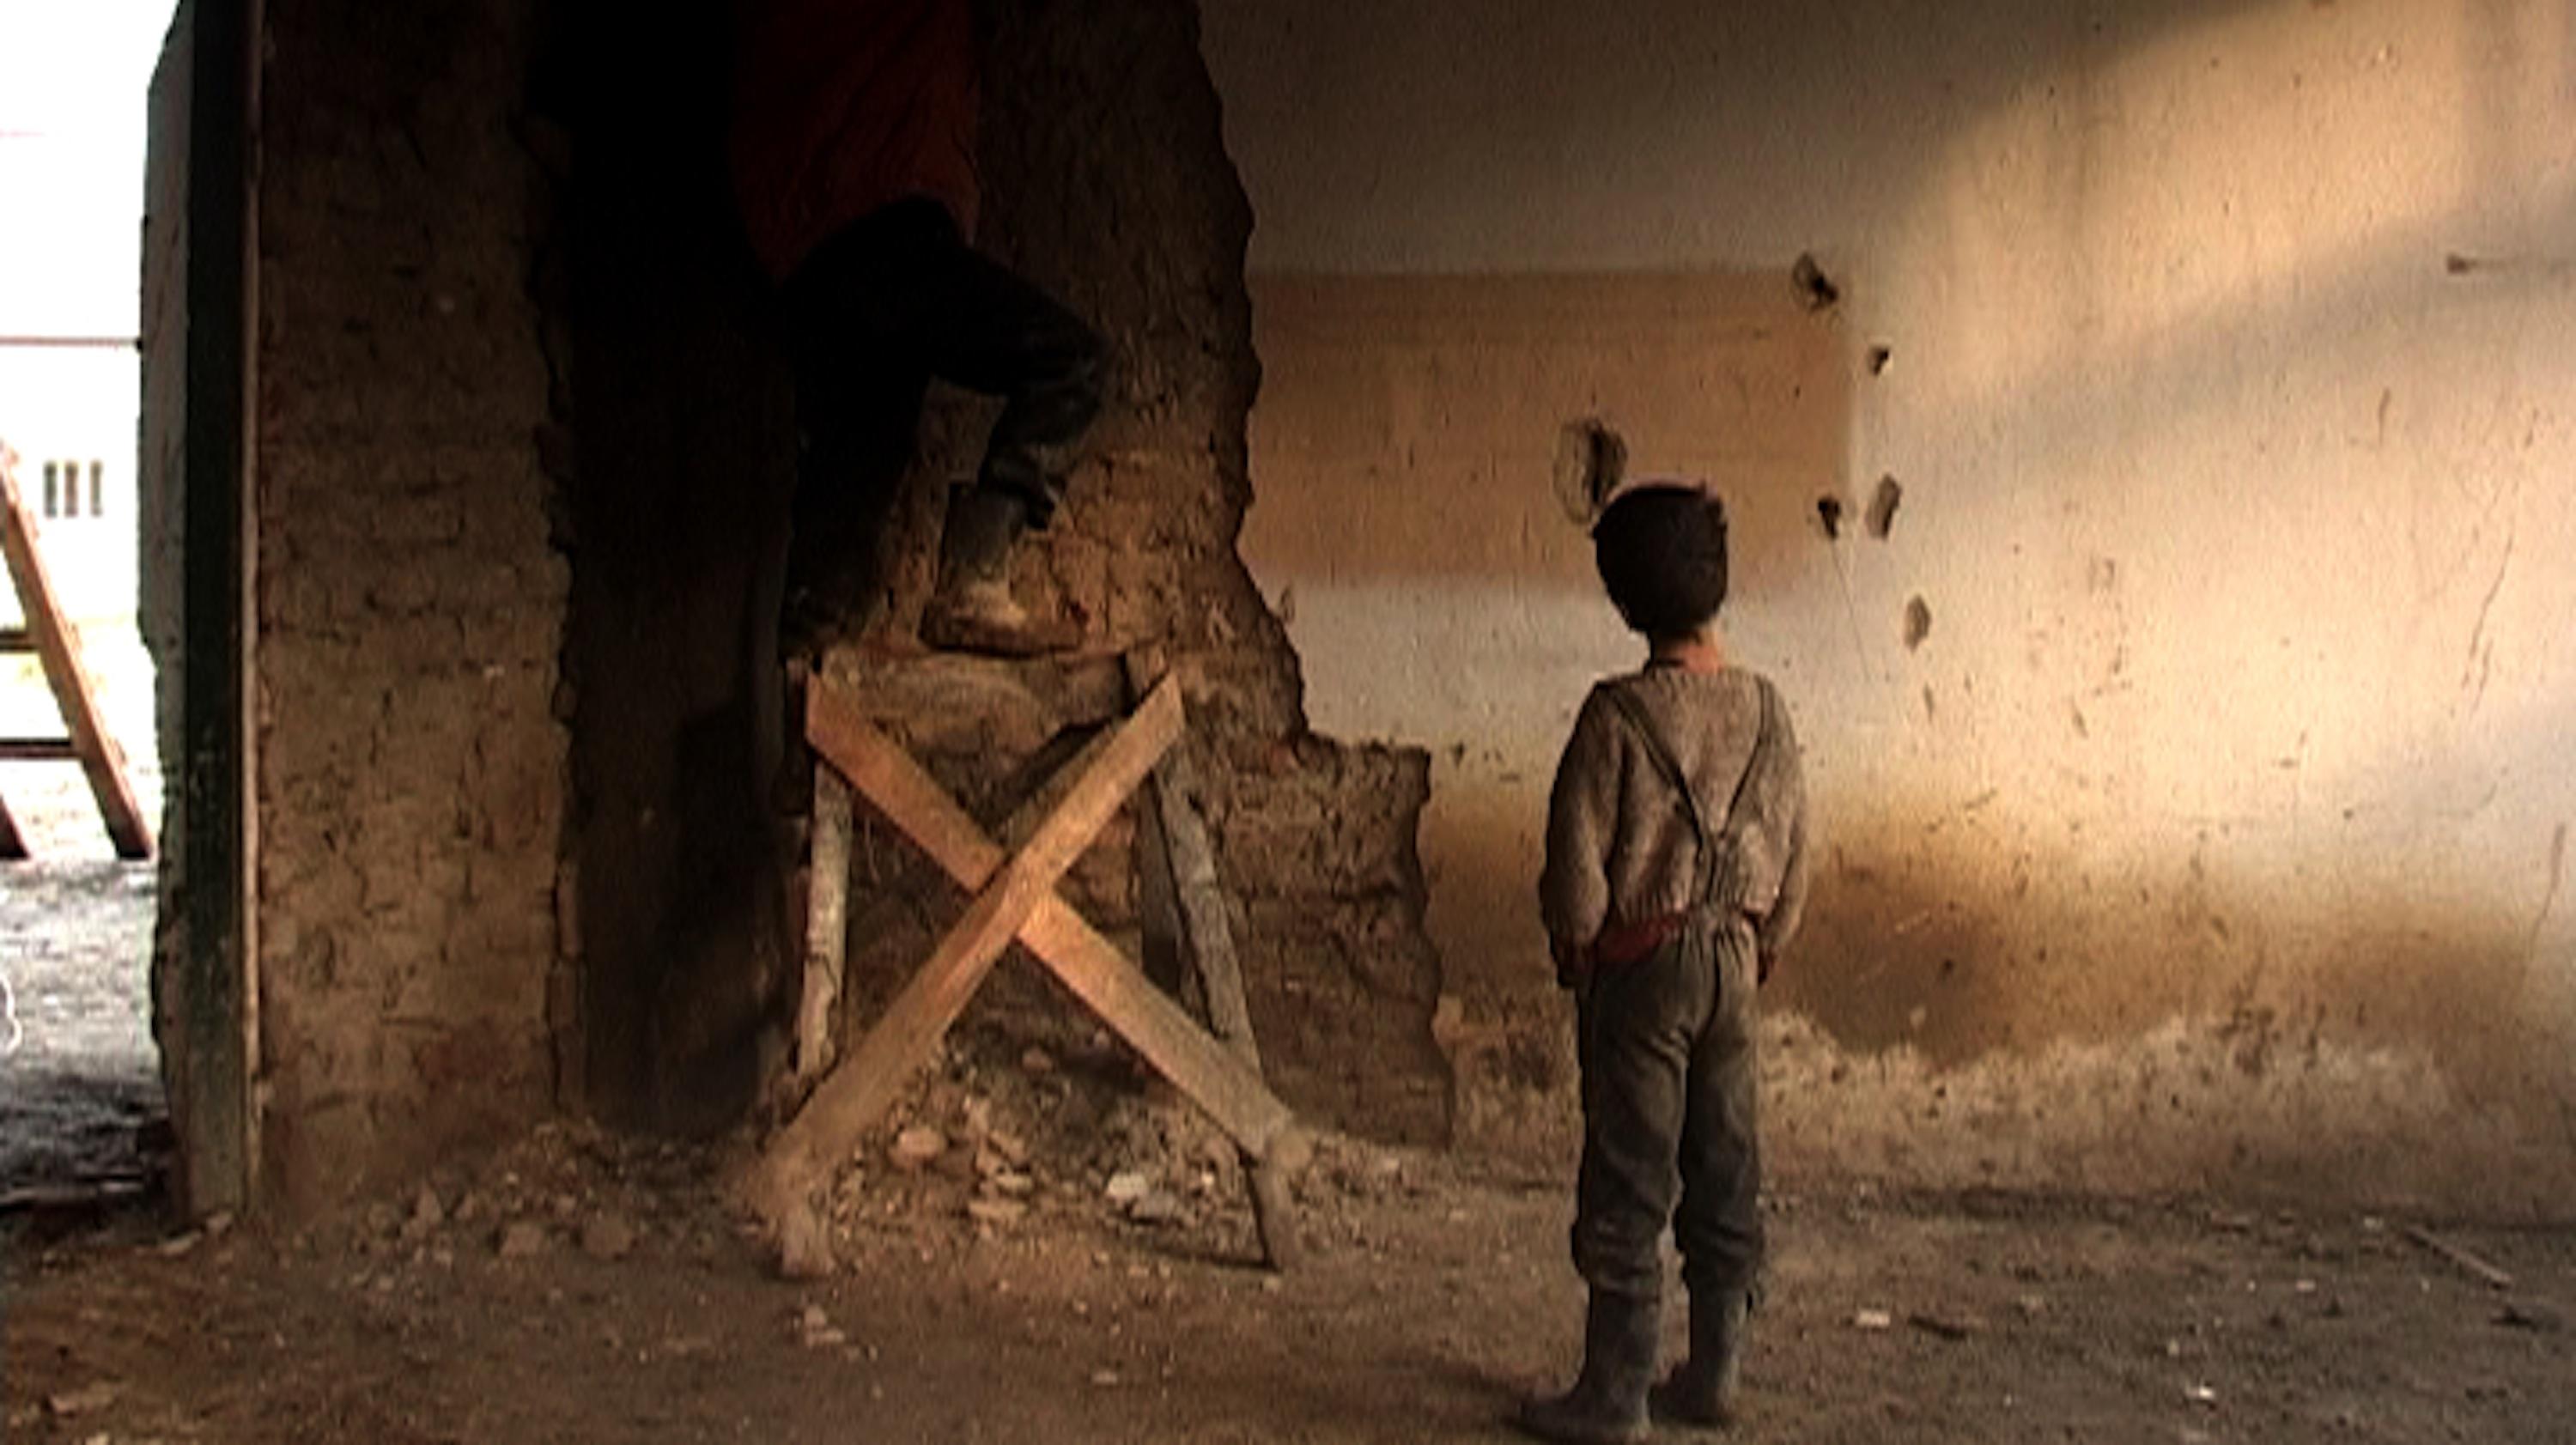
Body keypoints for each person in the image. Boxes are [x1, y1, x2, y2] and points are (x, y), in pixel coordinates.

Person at [1522, 482, 1813, 1443]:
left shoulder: (1615, 716)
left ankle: (1615, 1395)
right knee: (1726, 1166)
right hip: (1736, 961)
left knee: (1629, 1175)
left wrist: (1579, 944)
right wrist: (1765, 942)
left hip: (1643, 971)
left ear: (1623, 600)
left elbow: (1577, 869)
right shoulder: (1767, 710)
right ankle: (1717, 1374)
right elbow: (1795, 849)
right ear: (1717, 583)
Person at [731, 0, 1107, 656]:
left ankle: (804, 649)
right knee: (1071, 363)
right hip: (884, 219)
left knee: (854, 474)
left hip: (808, 251)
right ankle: (973, 578)